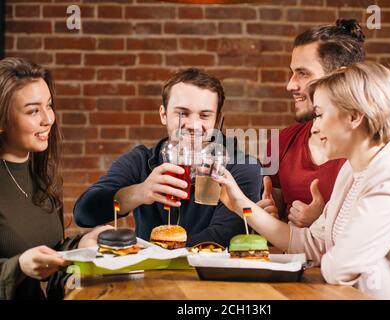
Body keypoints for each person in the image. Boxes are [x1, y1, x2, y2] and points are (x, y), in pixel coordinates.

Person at [213, 62, 390, 299]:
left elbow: (339, 269)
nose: (314, 127)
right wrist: (240, 204)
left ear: (354, 117)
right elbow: (308, 243)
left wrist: (325, 253)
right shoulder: (352, 170)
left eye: (319, 114)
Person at [73, 68, 262, 247]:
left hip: (213, 278)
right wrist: (140, 192)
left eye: (204, 115)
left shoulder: (242, 166)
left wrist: (146, 250)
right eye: (182, 114)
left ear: (218, 120)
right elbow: (84, 213)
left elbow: (222, 237)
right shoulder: (140, 160)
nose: (193, 125)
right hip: (150, 279)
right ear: (163, 114)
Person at [0, 57, 111, 300]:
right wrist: (18, 266)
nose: (48, 119)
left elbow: (49, 253)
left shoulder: (42, 176)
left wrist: (82, 244)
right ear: (2, 120)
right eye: (33, 111)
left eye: (49, 106)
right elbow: (23, 260)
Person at [259, 19, 365, 228]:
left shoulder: (370, 150)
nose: (290, 84)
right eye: (292, 72)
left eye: (303, 73)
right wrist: (266, 218)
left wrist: (321, 223)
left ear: (339, 77)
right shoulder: (281, 142)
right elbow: (277, 224)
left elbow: (371, 235)